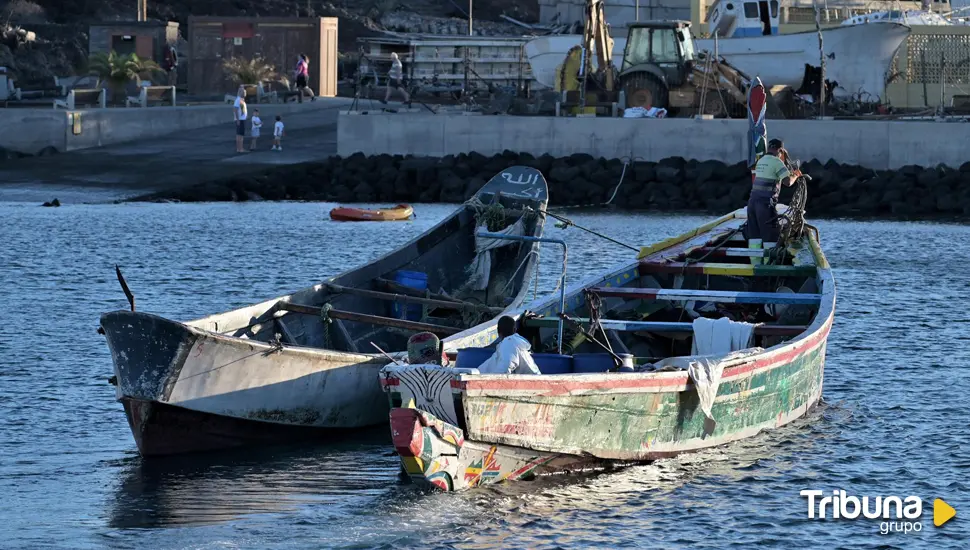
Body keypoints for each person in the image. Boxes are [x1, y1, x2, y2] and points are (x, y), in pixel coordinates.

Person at [747, 138, 801, 263]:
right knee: (770, 235)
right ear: (780, 150)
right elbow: (788, 182)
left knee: (755, 236)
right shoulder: (777, 162)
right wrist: (796, 175)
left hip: (752, 203)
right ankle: (768, 266)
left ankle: (755, 264)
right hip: (765, 205)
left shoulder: (761, 161)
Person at [476, 316, 541, 375]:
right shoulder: (517, 344)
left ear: (498, 332)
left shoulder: (509, 343)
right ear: (515, 330)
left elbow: (506, 367)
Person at [233, 87, 248, 153]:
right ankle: (240, 148)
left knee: (240, 134)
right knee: (240, 135)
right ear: (240, 92)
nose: (245, 93)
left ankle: (240, 148)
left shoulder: (242, 100)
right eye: (243, 92)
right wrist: (238, 119)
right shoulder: (238, 100)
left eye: (245, 92)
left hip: (242, 119)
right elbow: (235, 109)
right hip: (240, 120)